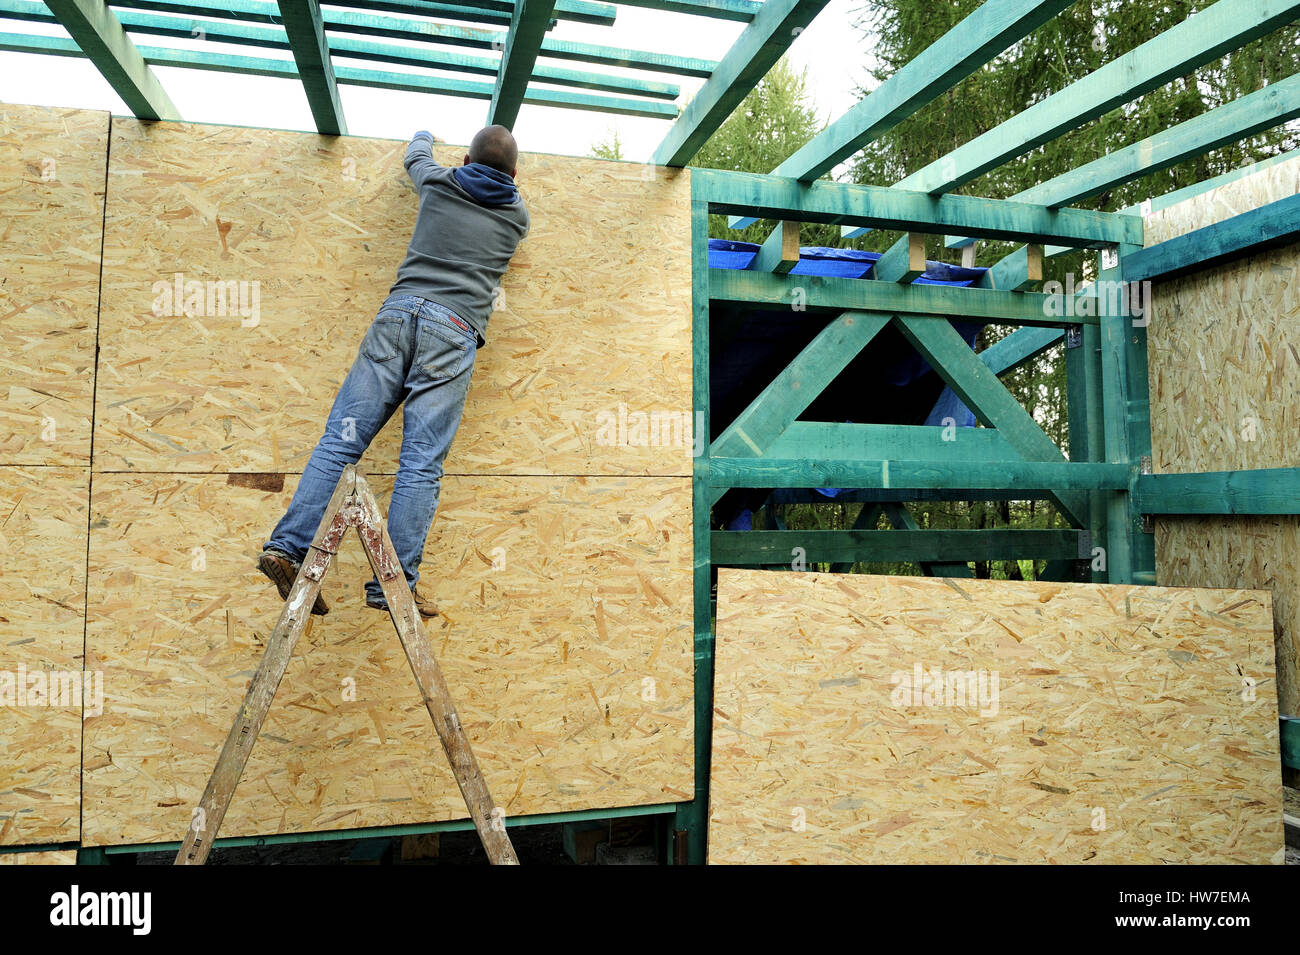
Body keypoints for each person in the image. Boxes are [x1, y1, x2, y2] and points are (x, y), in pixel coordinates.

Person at [259, 125, 530, 617]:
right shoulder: (517, 217)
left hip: (397, 317)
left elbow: (416, 158)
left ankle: (288, 547)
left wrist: (424, 134)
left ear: (466, 160)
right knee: (421, 462)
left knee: (339, 443)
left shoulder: (441, 180)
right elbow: (497, 183)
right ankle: (392, 585)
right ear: (514, 174)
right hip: (452, 332)